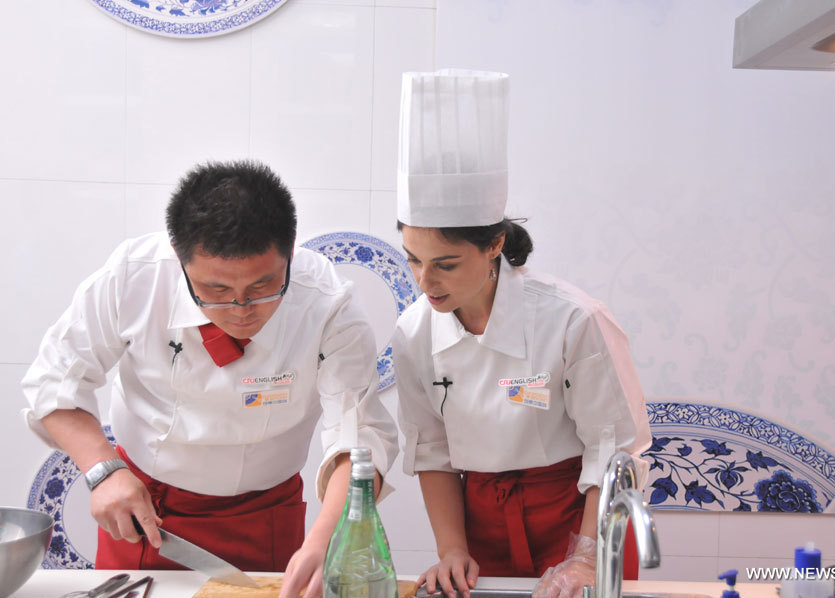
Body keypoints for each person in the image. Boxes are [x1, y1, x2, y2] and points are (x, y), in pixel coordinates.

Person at [21, 160, 398, 598]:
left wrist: (328, 541)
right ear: (179, 258)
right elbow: (53, 382)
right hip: (147, 513)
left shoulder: (327, 302)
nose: (241, 309)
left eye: (263, 286)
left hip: (268, 515)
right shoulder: (134, 277)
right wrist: (104, 472)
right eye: (216, 291)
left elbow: (359, 434)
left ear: (290, 250)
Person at [391, 70, 652, 598]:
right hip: (478, 524)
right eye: (413, 260)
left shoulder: (572, 319)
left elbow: (615, 450)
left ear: (494, 246)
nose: (425, 282)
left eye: (444, 263)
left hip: (578, 520)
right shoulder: (415, 332)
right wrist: (452, 551)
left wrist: (585, 560)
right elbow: (434, 452)